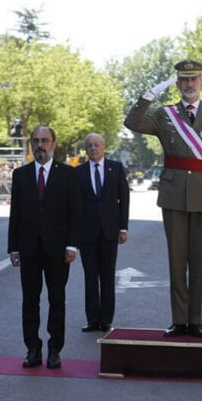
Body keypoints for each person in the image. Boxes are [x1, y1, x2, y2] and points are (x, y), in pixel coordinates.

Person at [124, 60, 202, 338]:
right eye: (183, 80)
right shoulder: (165, 114)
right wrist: (151, 93)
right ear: (177, 83)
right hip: (173, 196)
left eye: (193, 79)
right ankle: (179, 320)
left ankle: (196, 321)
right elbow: (132, 122)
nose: (189, 84)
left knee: (199, 262)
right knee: (176, 262)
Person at [8, 126, 80, 369]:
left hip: (58, 250)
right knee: (30, 300)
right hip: (28, 249)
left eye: (45, 141)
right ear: (31, 144)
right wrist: (13, 247)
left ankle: (54, 350)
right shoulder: (20, 175)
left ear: (54, 143)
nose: (40, 145)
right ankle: (32, 348)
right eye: (36, 141)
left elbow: (74, 213)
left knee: (56, 299)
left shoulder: (68, 175)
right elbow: (15, 214)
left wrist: (72, 246)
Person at [77, 133, 130, 333]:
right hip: (87, 234)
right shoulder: (79, 172)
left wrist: (123, 228)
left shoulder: (115, 168)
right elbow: (75, 205)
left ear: (104, 147)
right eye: (89, 145)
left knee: (107, 277)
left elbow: (124, 199)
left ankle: (106, 320)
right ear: (86, 149)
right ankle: (92, 319)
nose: (93, 148)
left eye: (96, 144)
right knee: (90, 278)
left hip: (109, 232)